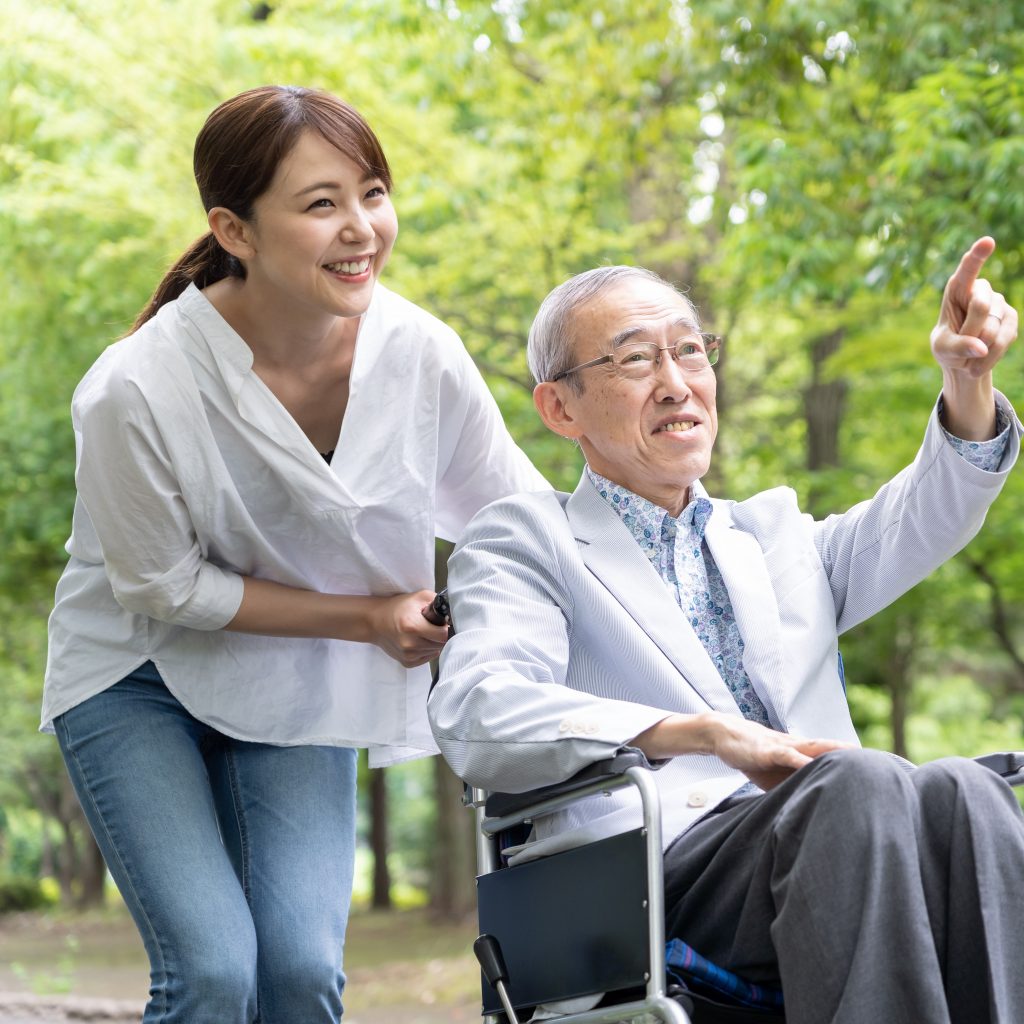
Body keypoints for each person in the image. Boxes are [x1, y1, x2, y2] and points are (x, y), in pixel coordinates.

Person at [42, 85, 547, 1024]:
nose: (361, 229)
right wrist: (366, 618)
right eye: (321, 205)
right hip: (136, 670)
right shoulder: (134, 388)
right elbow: (161, 584)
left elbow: (514, 520)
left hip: (302, 678)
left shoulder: (421, 355)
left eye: (373, 193)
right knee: (213, 973)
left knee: (301, 978)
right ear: (233, 229)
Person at [429, 238, 1024, 1023]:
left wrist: (967, 379)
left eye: (690, 353)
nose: (677, 384)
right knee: (860, 780)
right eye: (635, 361)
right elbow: (479, 708)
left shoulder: (771, 535)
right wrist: (702, 733)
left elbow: (926, 516)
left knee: (966, 792)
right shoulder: (523, 541)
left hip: (843, 829)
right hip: (654, 865)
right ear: (559, 407)